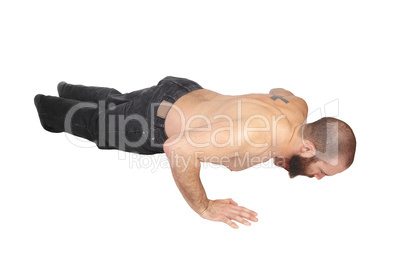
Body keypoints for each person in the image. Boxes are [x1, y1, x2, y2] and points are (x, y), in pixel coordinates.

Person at [34, 76, 356, 229]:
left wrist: (278, 151)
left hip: (184, 91)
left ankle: (67, 89)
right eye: (322, 171)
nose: (317, 177)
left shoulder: (298, 109)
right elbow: (179, 147)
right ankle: (44, 106)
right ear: (308, 147)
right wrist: (204, 207)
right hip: (155, 122)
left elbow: (277, 92)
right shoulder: (258, 136)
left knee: (118, 102)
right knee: (98, 127)